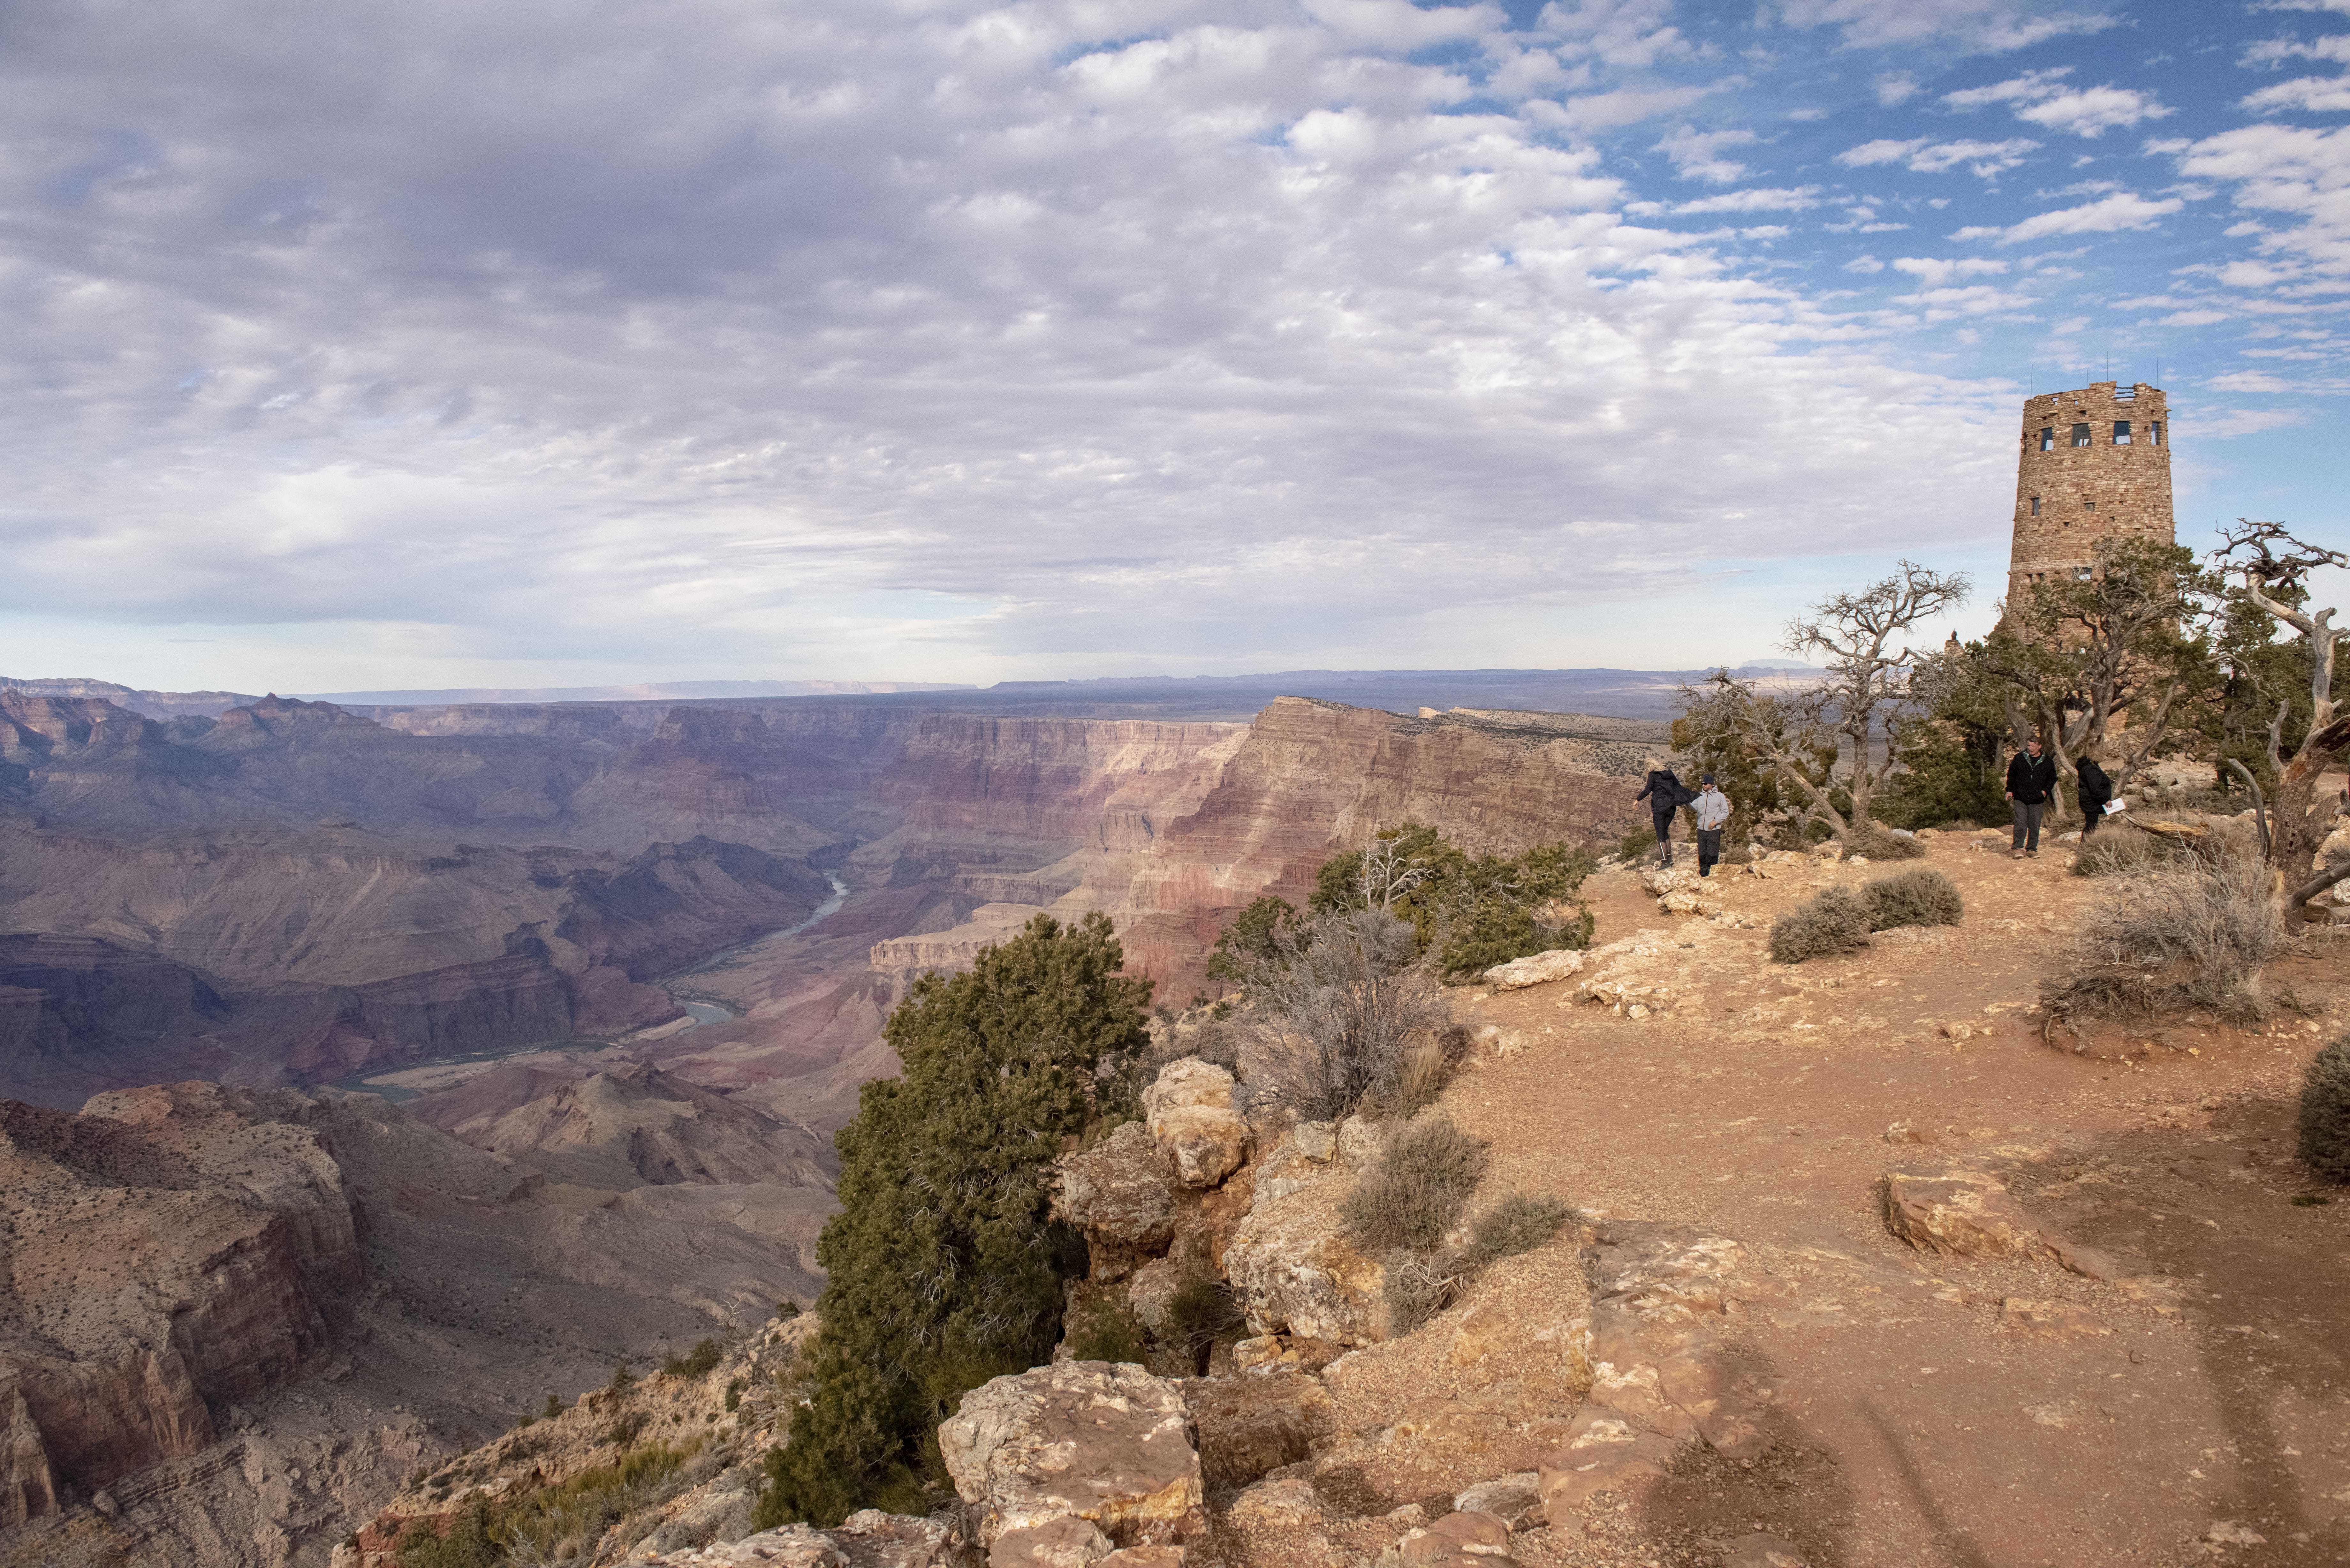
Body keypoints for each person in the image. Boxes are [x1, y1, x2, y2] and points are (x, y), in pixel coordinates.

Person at [2005, 735, 2058, 859]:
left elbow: (2053, 778)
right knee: (2021, 823)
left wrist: (2045, 792)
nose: (2030, 748)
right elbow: (2011, 775)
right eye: (2029, 746)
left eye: (2033, 746)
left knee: (2034, 824)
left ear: (2039, 746)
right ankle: (2018, 848)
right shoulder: (2019, 758)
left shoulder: (2047, 761)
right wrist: (2009, 790)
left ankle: (2032, 849)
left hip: (2037, 799)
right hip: (2020, 797)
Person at [1635, 763, 1690, 867]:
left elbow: (1647, 790)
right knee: (1665, 832)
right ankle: (1669, 858)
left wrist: (1637, 800)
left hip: (1660, 808)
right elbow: (1679, 787)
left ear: (1650, 769)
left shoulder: (1653, 775)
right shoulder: (1669, 773)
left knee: (1660, 835)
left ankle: (1665, 862)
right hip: (1672, 807)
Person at [1692, 773, 1730, 877]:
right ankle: (1703, 873)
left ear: (1712, 784)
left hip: (1714, 830)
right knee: (1702, 852)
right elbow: (1694, 809)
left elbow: (1725, 812)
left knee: (1713, 853)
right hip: (1701, 829)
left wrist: (1716, 821)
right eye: (1702, 784)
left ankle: (1712, 873)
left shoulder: (1720, 796)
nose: (1703, 785)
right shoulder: (1699, 796)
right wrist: (1686, 803)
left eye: (1706, 783)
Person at [2076, 750, 2114, 837]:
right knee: (2091, 825)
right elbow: (2095, 788)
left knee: (2091, 824)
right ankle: (2085, 846)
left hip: (2090, 800)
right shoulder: (2090, 769)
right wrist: (2105, 800)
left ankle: (2086, 845)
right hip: (2092, 801)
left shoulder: (2088, 767)